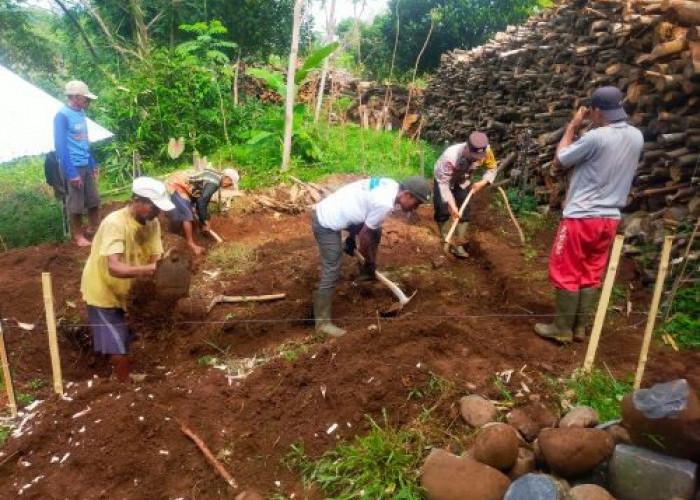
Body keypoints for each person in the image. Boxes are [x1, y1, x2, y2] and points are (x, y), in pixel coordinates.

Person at [535, 86, 643, 344]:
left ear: (596, 111)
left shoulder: (596, 137)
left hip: (581, 217)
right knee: (590, 271)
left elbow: (561, 159)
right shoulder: (636, 136)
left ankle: (561, 328)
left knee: (565, 268)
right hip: (609, 218)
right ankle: (579, 328)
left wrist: (572, 126)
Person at [80, 177, 175, 382]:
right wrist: (151, 269)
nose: (158, 212)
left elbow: (156, 257)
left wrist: (160, 274)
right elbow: (114, 267)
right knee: (118, 344)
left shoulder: (152, 222)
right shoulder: (115, 223)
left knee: (126, 335)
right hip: (103, 289)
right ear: (137, 200)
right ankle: (123, 390)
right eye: (153, 207)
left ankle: (119, 375)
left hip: (127, 290)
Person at [312, 176, 431, 337]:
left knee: (376, 230)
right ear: (407, 194)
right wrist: (368, 260)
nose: (414, 208)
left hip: (340, 210)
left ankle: (366, 274)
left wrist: (350, 238)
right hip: (326, 222)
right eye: (416, 203)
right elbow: (365, 235)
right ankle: (322, 324)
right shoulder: (384, 203)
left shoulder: (391, 184)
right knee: (333, 265)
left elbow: (362, 205)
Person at [433, 131, 498, 258]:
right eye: (474, 155)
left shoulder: (486, 152)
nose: (477, 159)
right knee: (442, 208)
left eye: (479, 156)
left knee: (464, 208)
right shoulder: (450, 157)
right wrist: (452, 206)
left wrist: (483, 182)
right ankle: (446, 240)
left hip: (463, 179)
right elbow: (444, 186)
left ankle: (458, 243)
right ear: (467, 147)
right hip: (444, 180)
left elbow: (492, 168)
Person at [54, 80, 101, 247]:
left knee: (94, 200)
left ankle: (93, 229)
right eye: (85, 99)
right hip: (72, 164)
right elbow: (60, 147)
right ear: (75, 97)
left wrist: (92, 163)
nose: (88, 102)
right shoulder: (62, 116)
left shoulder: (81, 113)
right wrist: (71, 172)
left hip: (85, 162)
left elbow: (83, 142)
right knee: (76, 203)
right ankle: (78, 236)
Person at [166, 168, 239, 255]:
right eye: (230, 184)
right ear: (227, 178)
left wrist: (203, 219)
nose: (229, 186)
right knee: (187, 213)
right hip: (177, 184)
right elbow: (202, 202)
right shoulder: (214, 182)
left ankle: (188, 230)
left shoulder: (217, 177)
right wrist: (205, 221)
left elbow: (202, 200)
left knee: (192, 209)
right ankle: (191, 244)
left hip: (185, 185)